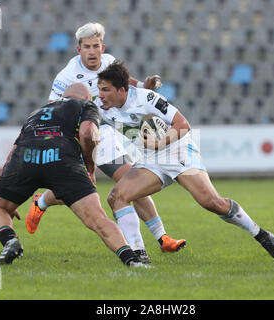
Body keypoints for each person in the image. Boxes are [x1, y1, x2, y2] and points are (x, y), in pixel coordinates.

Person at [95, 60, 274, 262]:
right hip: (151, 158)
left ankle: (261, 235)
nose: (100, 95)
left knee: (211, 202)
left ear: (122, 90)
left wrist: (159, 142)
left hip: (177, 150)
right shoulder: (102, 107)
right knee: (117, 197)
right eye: (99, 89)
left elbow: (183, 124)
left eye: (105, 90)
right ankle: (138, 254)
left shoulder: (147, 98)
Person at [26, 22, 185, 262]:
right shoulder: (67, 76)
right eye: (87, 46)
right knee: (76, 190)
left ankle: (161, 239)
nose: (92, 51)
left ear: (102, 47)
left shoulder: (109, 61)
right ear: (78, 49)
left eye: (96, 46)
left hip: (105, 133)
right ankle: (43, 200)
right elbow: (53, 108)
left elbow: (126, 82)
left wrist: (144, 85)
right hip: (78, 136)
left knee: (129, 179)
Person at [0, 83, 146, 267]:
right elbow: (87, 133)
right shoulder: (86, 106)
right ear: (87, 98)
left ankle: (9, 240)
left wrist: (9, 195)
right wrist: (90, 167)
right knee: (97, 219)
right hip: (62, 161)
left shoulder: (37, 112)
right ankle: (131, 259)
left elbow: (13, 152)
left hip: (25, 158)